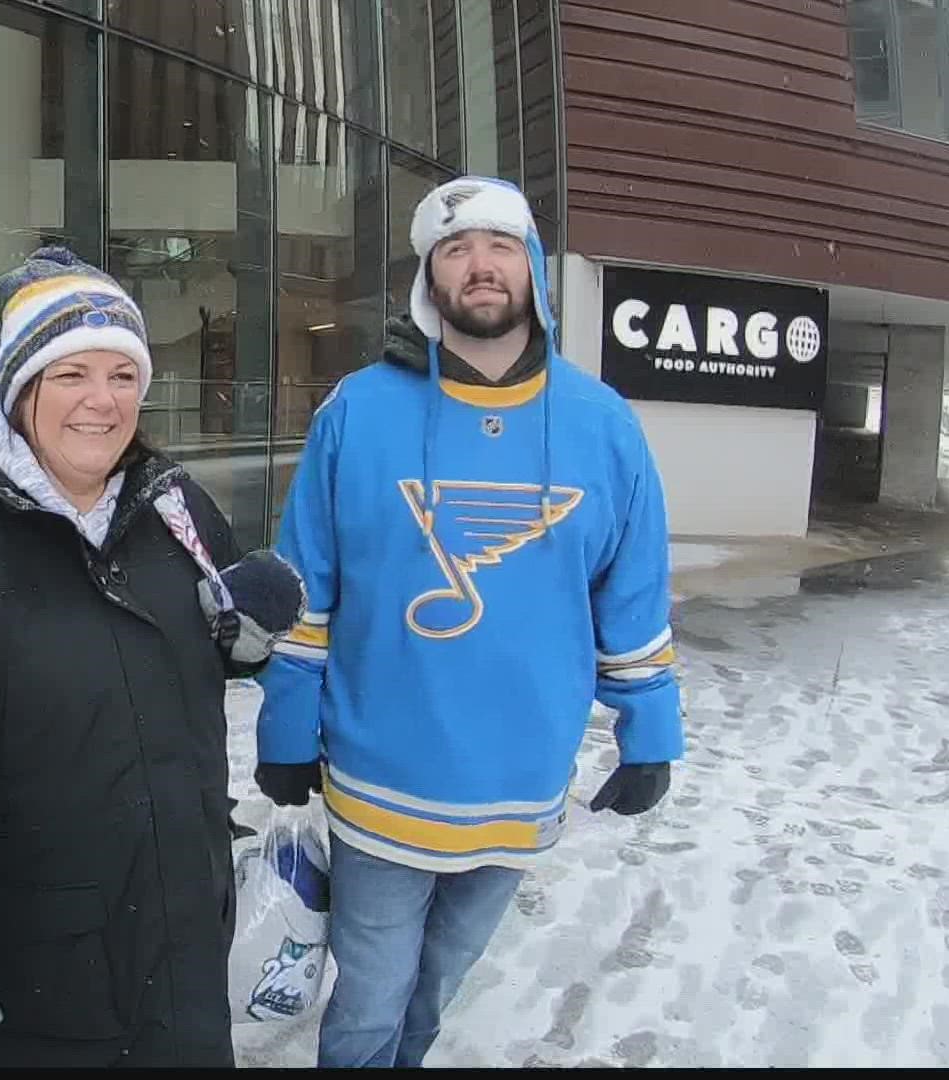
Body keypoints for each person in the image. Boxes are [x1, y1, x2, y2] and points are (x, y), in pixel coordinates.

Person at [253, 176, 685, 1068]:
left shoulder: (603, 426)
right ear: (429, 280)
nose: (479, 265)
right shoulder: (359, 411)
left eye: (499, 245)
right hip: (383, 775)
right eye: (455, 250)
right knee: (371, 998)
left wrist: (652, 733)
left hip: (521, 780)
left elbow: (631, 595)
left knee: (438, 985)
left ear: (531, 268)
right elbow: (306, 587)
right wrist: (287, 723)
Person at [0, 246, 307, 1067]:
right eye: (70, 375)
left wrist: (244, 641)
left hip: (183, 943)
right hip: (33, 978)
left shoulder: (178, 508)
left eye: (123, 375)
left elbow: (194, 652)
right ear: (19, 388)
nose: (102, 402)